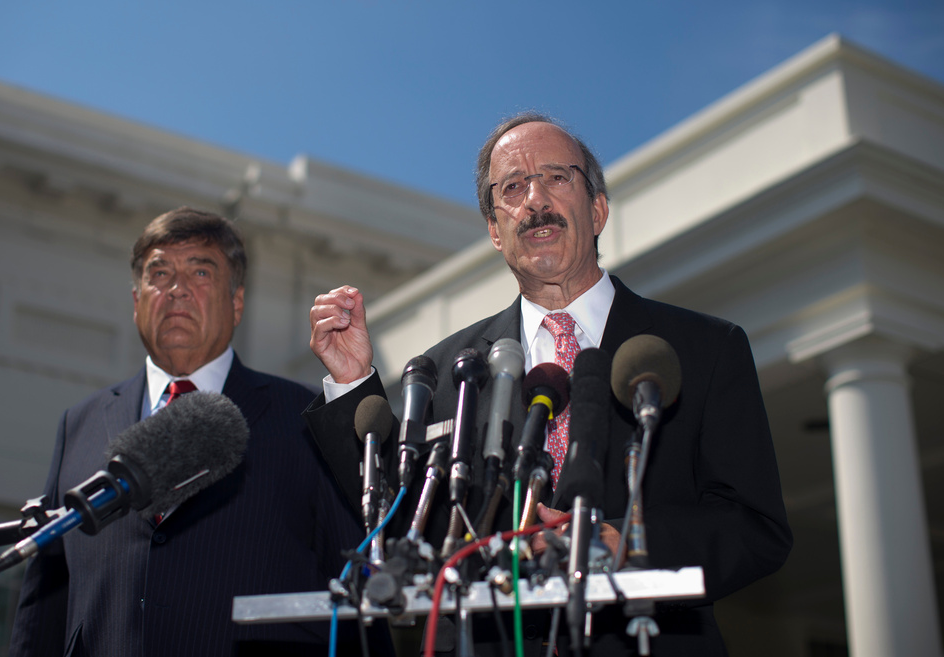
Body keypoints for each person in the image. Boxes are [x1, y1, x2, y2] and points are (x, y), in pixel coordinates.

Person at [305, 114, 793, 656]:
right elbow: (402, 530)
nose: (535, 200)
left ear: (599, 209)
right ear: (495, 230)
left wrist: (624, 541)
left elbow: (753, 527)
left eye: (557, 178)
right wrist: (352, 382)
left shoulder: (703, 349)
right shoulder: (448, 370)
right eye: (512, 187)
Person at [10, 207, 368, 657]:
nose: (177, 289)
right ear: (137, 300)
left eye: (201, 271)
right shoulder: (79, 423)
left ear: (237, 302)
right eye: (159, 273)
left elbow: (361, 578)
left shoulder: (304, 417)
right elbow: (44, 604)